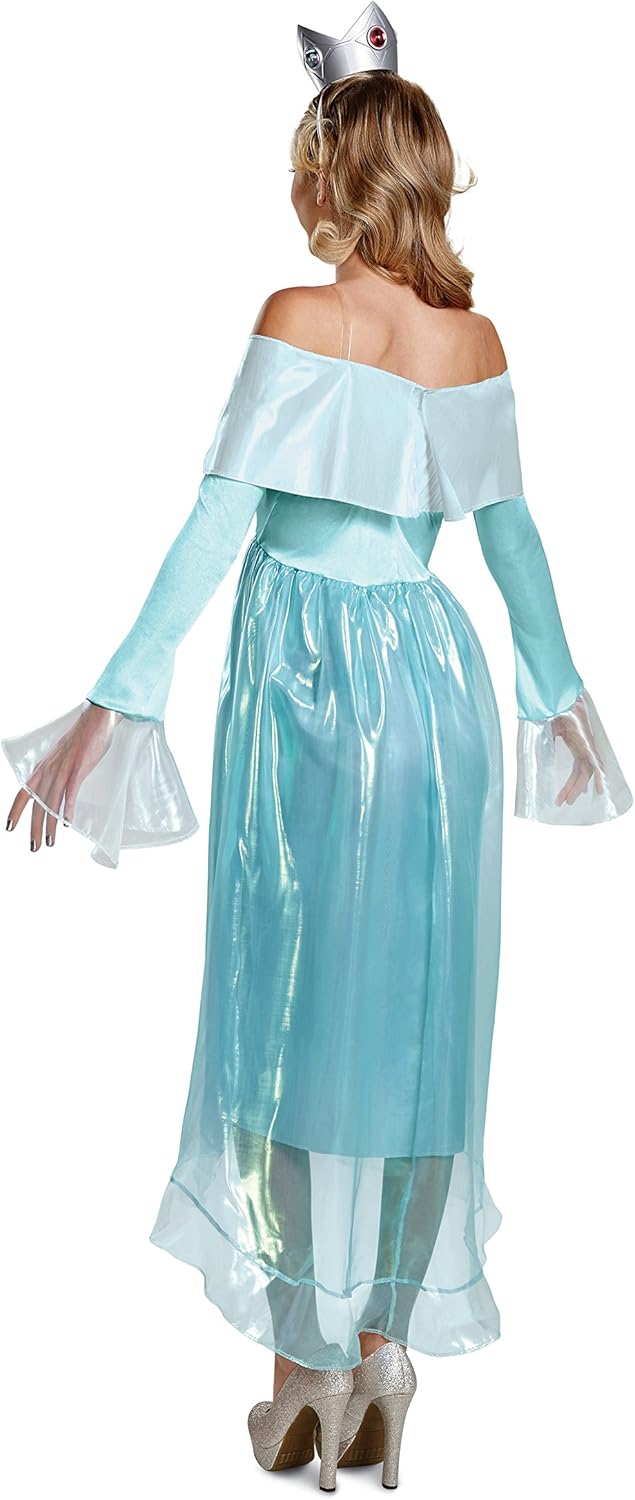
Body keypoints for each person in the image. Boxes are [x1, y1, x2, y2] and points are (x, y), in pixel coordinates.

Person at [2, 11, 632, 1492]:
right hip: (436, 698)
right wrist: (561, 701)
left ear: (336, 177)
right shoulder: (472, 341)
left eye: (304, 164)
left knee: (285, 1015)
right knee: (414, 1022)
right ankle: (388, 1358)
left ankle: (306, 1373)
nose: (293, 187)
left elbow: (220, 522)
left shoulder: (301, 316)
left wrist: (117, 701)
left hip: (306, 692)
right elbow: (514, 545)